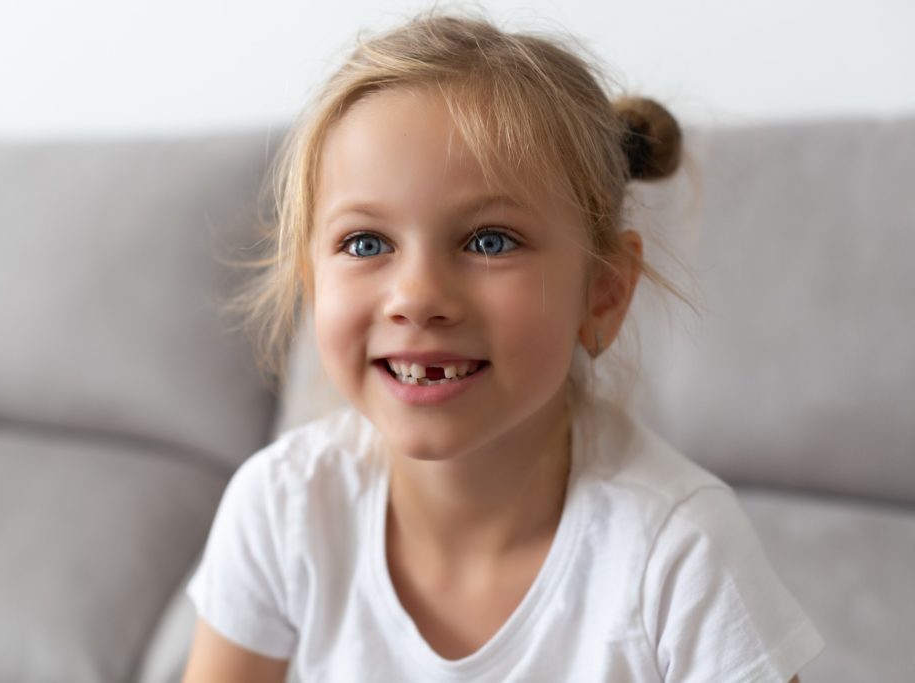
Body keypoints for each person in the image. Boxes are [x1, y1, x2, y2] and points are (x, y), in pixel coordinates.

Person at [181, 11, 824, 682]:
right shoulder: (282, 507)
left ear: (603, 292)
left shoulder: (680, 551)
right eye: (366, 243)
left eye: (490, 241)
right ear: (313, 288)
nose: (417, 295)